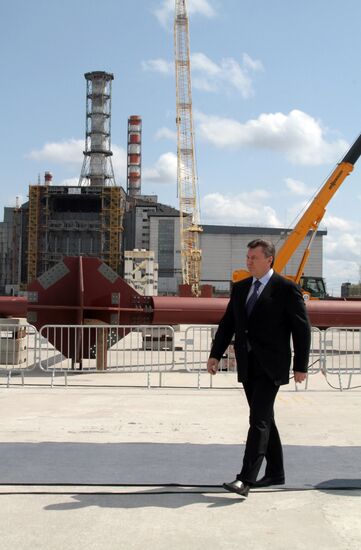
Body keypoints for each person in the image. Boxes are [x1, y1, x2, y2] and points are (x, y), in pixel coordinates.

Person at [207, 238, 311, 498]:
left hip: (272, 366)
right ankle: (276, 472)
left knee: (258, 420)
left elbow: (301, 328)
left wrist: (301, 365)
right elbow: (227, 324)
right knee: (265, 419)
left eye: (253, 257)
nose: (249, 261)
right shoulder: (241, 288)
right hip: (248, 365)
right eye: (248, 257)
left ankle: (245, 479)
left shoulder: (286, 289)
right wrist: (215, 355)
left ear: (269, 259)